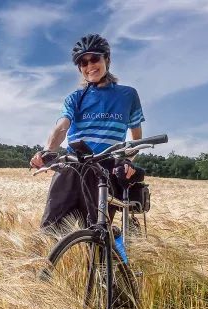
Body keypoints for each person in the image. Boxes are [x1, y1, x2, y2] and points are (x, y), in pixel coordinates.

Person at [30, 34, 146, 231]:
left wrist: (128, 161)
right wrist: (46, 150)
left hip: (106, 167)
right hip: (74, 165)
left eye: (95, 59)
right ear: (80, 68)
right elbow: (61, 127)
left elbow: (136, 139)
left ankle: (107, 255)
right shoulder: (74, 98)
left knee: (98, 236)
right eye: (84, 62)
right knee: (50, 231)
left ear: (106, 60)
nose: (89, 65)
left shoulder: (128, 95)